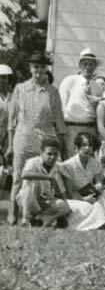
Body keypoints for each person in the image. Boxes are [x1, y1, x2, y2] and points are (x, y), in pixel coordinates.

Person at [6, 52, 66, 225]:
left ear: (47, 69)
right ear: (30, 68)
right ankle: (13, 214)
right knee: (19, 176)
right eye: (35, 67)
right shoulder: (20, 89)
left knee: (46, 178)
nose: (39, 70)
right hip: (23, 138)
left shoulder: (53, 92)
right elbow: (12, 120)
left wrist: (61, 144)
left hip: (45, 140)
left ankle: (42, 215)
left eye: (42, 67)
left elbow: (59, 120)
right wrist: (10, 145)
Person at [56, 132, 105, 231]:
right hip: (75, 197)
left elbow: (98, 180)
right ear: (76, 148)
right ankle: (101, 225)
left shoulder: (95, 163)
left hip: (90, 193)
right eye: (84, 145)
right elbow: (70, 193)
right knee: (93, 206)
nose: (87, 148)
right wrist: (84, 199)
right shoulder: (67, 165)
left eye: (90, 145)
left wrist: (99, 184)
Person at [57, 48, 105, 156]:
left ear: (95, 66)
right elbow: (60, 106)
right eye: (85, 64)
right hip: (72, 128)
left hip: (90, 128)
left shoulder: (97, 87)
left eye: (91, 64)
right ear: (80, 65)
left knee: (88, 158)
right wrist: (61, 131)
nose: (88, 67)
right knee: (72, 158)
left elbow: (99, 111)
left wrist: (97, 132)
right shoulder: (70, 81)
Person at [17, 137, 70, 227]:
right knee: (34, 182)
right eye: (49, 154)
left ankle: (40, 220)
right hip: (28, 199)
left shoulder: (57, 166)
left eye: (55, 154)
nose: (52, 157)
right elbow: (24, 174)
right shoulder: (33, 162)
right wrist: (48, 177)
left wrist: (66, 205)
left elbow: (60, 190)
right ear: (41, 153)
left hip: (45, 200)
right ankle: (25, 220)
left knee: (64, 206)